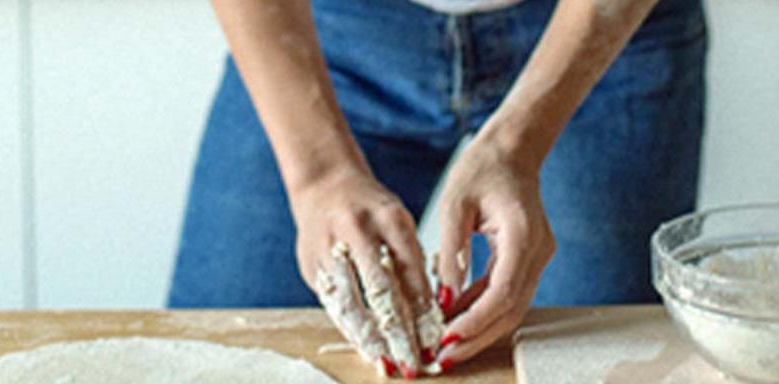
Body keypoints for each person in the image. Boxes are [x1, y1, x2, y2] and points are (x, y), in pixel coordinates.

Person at [169, 0, 705, 379]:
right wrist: (319, 174)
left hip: (597, 31)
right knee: (209, 358)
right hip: (327, 27)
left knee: (598, 363)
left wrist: (519, 141)